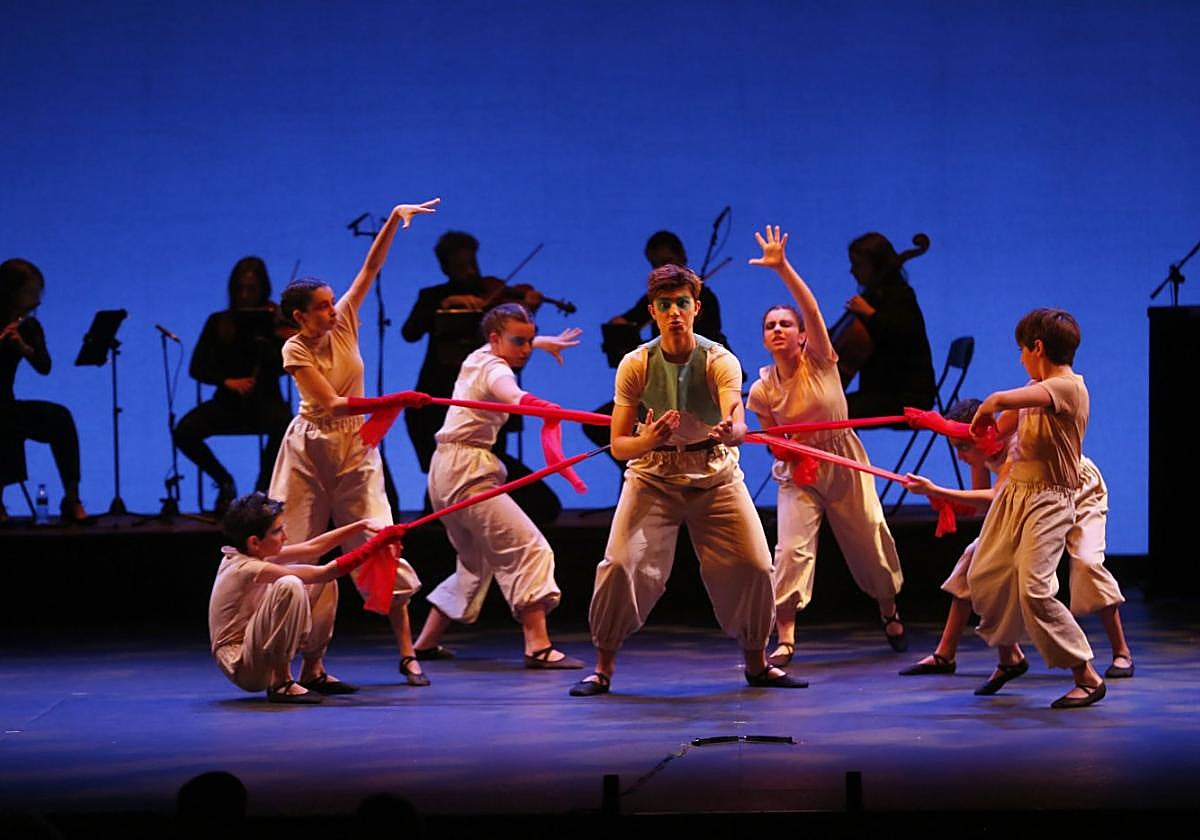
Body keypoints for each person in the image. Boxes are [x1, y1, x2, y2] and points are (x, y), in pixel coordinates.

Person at [570, 264, 805, 696]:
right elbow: (619, 444)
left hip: (714, 474)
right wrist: (648, 440)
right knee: (620, 564)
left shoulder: (719, 360)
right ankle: (603, 666)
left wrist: (732, 430)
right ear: (652, 312)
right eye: (665, 305)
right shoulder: (636, 363)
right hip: (653, 476)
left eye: (682, 303)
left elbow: (735, 415)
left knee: (754, 564)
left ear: (695, 307)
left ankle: (757, 662)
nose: (674, 312)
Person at [268, 198, 439, 686]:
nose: (332, 310)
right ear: (300, 317)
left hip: (356, 449)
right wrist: (397, 400)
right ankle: (305, 666)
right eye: (321, 307)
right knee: (300, 554)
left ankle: (407, 653)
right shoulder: (295, 348)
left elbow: (370, 267)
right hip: (309, 451)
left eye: (330, 303)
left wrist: (393, 220)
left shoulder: (343, 323)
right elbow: (334, 404)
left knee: (382, 542)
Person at [745, 227, 907, 666]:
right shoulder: (761, 391)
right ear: (764, 339)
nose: (778, 329)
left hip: (842, 457)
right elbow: (771, 441)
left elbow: (812, 308)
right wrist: (790, 453)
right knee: (792, 551)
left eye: (786, 324)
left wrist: (782, 268)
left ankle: (888, 610)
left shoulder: (821, 360)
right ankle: (786, 637)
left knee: (870, 538)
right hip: (800, 470)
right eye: (770, 326)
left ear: (802, 336)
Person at [902, 399, 1134, 684]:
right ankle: (947, 653)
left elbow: (994, 496)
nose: (960, 456)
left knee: (1086, 562)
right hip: (1036, 502)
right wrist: (945, 501)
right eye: (956, 448)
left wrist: (939, 490)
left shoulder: (1015, 444)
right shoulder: (986, 453)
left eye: (963, 447)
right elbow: (987, 505)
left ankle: (1121, 651)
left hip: (1078, 489)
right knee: (977, 557)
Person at [411, 303, 584, 668]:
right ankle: (538, 646)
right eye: (518, 342)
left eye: (529, 341)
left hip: (445, 469)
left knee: (474, 563)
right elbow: (510, 394)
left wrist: (543, 342)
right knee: (529, 548)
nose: (525, 349)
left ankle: (425, 643)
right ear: (495, 340)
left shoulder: (479, 355)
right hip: (467, 471)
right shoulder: (494, 367)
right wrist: (541, 406)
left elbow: (510, 348)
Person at [961, 308, 1106, 708]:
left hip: (1049, 500)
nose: (1021, 358)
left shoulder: (1067, 389)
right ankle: (1009, 655)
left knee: (1035, 588)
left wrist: (992, 400)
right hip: (1016, 495)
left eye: (1022, 351)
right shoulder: (1035, 387)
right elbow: (995, 432)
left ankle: (1086, 675)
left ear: (1037, 348)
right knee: (985, 573)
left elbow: (1007, 402)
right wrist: (942, 425)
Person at [401, 231, 559, 523]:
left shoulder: (497, 301)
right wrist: (448, 304)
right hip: (439, 392)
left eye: (472, 263)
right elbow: (409, 332)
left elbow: (518, 340)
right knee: (437, 458)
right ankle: (438, 518)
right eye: (460, 267)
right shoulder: (433, 296)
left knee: (489, 467)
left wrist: (529, 311)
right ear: (445, 268)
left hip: (488, 399)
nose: (470, 272)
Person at [209, 491, 380, 703]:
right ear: (255, 542)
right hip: (242, 664)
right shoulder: (245, 567)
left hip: (255, 647)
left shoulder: (252, 552)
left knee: (322, 584)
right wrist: (374, 546)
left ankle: (312, 671)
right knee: (290, 584)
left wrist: (362, 525)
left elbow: (313, 547)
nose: (285, 537)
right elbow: (324, 571)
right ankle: (281, 681)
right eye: (278, 531)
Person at [175, 256, 293, 516]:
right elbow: (197, 367)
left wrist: (283, 335)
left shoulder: (275, 321)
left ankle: (261, 494)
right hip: (228, 402)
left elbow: (287, 367)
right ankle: (224, 480)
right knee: (184, 431)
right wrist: (227, 381)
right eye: (239, 288)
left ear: (263, 288)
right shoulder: (218, 321)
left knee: (286, 425)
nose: (245, 295)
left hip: (266, 401)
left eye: (251, 289)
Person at [0, 258, 87, 524]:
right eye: (31, 291)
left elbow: (44, 366)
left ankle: (71, 497)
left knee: (59, 417)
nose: (37, 299)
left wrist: (24, 348)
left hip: (6, 402)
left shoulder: (28, 326)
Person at [841, 232, 936, 418]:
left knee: (833, 412)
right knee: (830, 409)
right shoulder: (877, 295)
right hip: (886, 391)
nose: (852, 271)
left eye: (857, 265)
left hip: (908, 396)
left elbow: (901, 338)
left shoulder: (900, 295)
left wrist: (870, 314)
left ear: (876, 265)